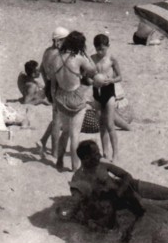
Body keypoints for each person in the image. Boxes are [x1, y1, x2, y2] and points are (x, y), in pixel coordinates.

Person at [65, 141, 168, 231]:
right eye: (95, 154)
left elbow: (126, 175)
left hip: (129, 188)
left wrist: (120, 190)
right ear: (85, 158)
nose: (99, 155)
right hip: (124, 202)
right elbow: (81, 204)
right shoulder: (80, 179)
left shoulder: (102, 166)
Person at [53, 31, 97, 171]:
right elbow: (93, 71)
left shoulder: (56, 57)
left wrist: (54, 101)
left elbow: (53, 82)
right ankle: (75, 167)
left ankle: (59, 161)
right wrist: (86, 55)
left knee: (65, 132)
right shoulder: (79, 58)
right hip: (75, 98)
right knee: (75, 135)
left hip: (60, 96)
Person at [37, 27, 69, 159]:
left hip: (50, 86)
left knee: (58, 118)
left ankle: (43, 140)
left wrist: (46, 84)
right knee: (57, 121)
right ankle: (55, 152)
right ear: (58, 41)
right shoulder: (59, 54)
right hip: (59, 87)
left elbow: (42, 70)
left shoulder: (47, 52)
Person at [90, 34, 122, 162]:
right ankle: (105, 153)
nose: (100, 51)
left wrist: (111, 80)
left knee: (109, 124)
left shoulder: (111, 58)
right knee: (101, 125)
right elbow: (86, 77)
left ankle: (115, 153)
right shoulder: (91, 59)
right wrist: (92, 81)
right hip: (96, 92)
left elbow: (120, 76)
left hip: (109, 91)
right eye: (97, 49)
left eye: (102, 49)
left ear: (108, 47)